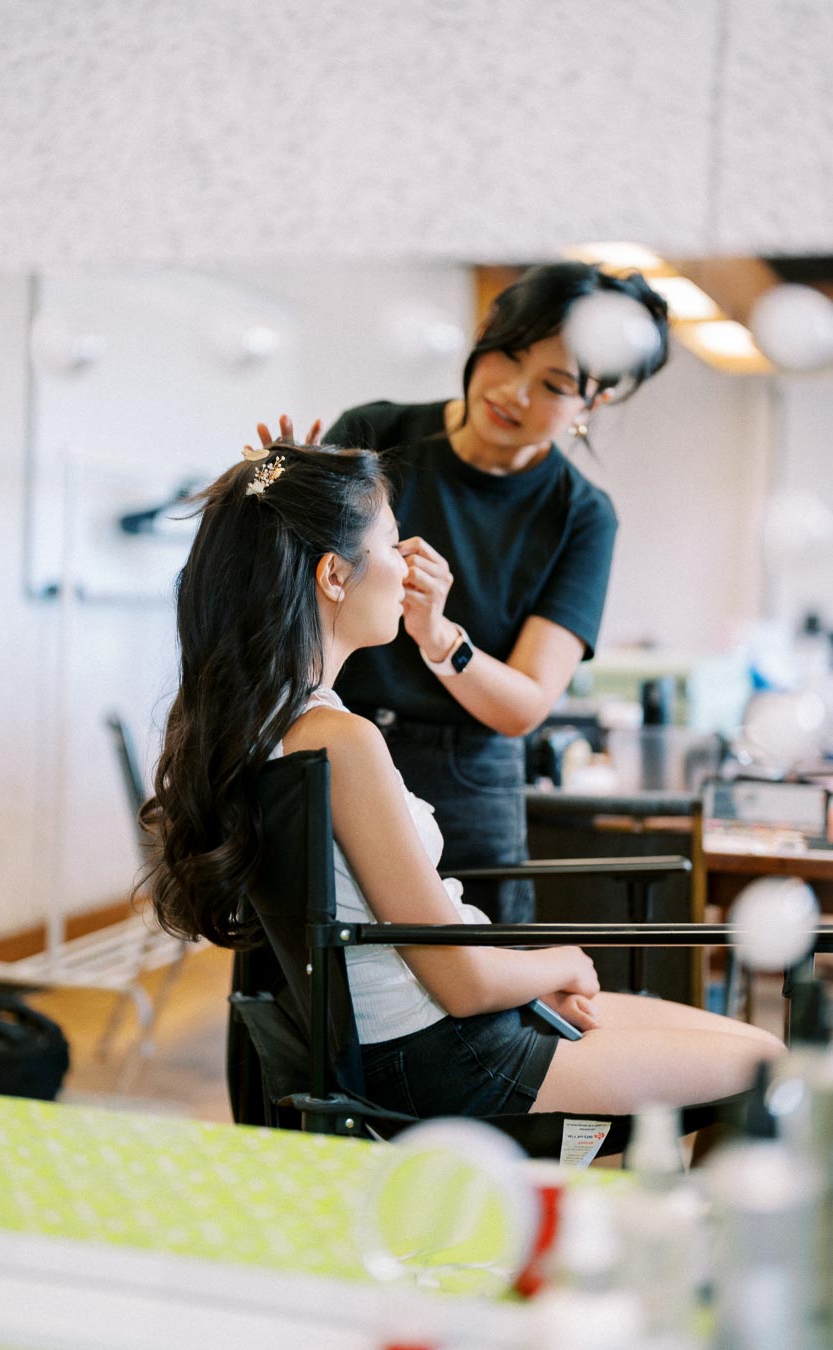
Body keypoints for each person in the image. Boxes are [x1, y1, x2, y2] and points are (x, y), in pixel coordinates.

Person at [142, 441, 783, 1121]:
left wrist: (528, 983)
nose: (408, 563)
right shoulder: (340, 741)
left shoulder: (264, 725)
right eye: (392, 542)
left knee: (747, 1049)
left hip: (431, 1035)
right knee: (769, 1065)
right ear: (333, 574)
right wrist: (559, 963)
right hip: (446, 1059)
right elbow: (462, 981)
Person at [257, 262, 671, 924]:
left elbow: (525, 706)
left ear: (593, 404)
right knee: (309, 982)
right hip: (326, 737)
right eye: (507, 356)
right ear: (485, 336)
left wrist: (438, 635)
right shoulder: (376, 432)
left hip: (467, 781)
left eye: (555, 385)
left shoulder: (581, 515)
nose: (513, 392)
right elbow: (263, 506)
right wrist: (272, 471)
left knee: (473, 992)